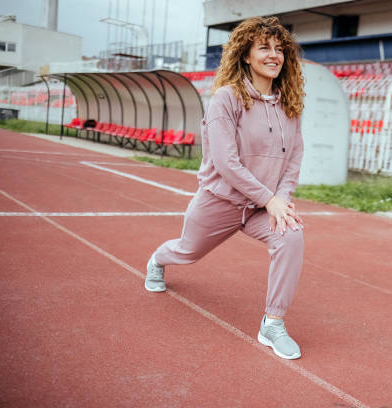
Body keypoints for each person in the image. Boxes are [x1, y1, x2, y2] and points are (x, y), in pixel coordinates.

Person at [145, 16, 306, 360]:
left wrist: (281, 199)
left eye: (280, 49)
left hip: (262, 208)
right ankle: (158, 259)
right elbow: (224, 162)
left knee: (291, 235)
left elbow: (294, 157)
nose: (273, 55)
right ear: (246, 55)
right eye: (264, 47)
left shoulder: (289, 104)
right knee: (188, 253)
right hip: (220, 201)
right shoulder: (226, 98)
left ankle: (273, 323)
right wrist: (268, 197)